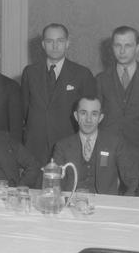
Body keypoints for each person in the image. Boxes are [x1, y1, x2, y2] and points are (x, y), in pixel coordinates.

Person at [21, 23, 96, 166]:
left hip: (69, 148)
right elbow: (25, 110)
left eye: (60, 41)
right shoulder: (30, 72)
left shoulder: (82, 74)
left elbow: (89, 116)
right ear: (43, 44)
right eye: (50, 41)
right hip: (35, 148)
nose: (55, 46)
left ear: (67, 43)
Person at [52, 97, 139, 195]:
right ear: (76, 116)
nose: (88, 119)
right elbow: (54, 183)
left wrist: (125, 204)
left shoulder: (115, 144)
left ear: (100, 118)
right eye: (83, 113)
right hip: (71, 204)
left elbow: (134, 179)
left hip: (106, 205)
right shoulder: (62, 147)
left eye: (94, 114)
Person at [96, 26, 139, 172]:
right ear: (112, 47)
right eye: (118, 45)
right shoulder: (100, 79)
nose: (122, 51)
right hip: (106, 150)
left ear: (137, 47)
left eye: (127, 45)